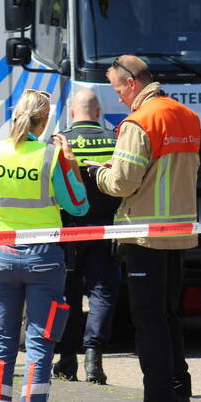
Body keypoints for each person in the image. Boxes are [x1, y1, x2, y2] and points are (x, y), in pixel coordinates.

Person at [93, 55, 201, 402]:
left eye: (117, 88)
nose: (118, 97)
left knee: (149, 324)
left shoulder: (140, 121)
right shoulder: (187, 116)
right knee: (168, 319)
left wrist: (98, 173)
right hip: (179, 232)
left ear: (132, 83)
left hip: (145, 235)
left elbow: (123, 183)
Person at [0, 89, 89, 402]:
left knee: (2, 346)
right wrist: (71, 162)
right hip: (43, 258)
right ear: (45, 120)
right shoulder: (51, 156)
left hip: (1, 255)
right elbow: (78, 206)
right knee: (39, 347)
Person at [52, 89, 121, 385]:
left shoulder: (58, 141)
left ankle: (67, 359)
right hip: (108, 229)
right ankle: (94, 359)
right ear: (98, 113)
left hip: (68, 229)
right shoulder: (114, 140)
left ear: (71, 112)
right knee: (102, 293)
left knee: (67, 295)